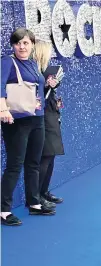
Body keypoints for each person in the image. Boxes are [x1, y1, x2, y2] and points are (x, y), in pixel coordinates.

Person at [1, 28, 56, 226]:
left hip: (37, 118)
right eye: (18, 43)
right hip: (16, 120)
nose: (22, 47)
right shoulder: (8, 61)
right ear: (13, 45)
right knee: (15, 165)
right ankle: (4, 210)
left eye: (25, 43)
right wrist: (2, 110)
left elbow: (36, 89)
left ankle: (34, 203)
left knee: (33, 162)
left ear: (32, 44)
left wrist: (49, 84)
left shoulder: (33, 64)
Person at [32, 38, 65, 204]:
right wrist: (46, 85)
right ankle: (35, 197)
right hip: (42, 118)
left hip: (51, 115)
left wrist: (54, 84)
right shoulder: (32, 73)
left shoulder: (45, 71)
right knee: (45, 156)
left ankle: (44, 192)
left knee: (51, 156)